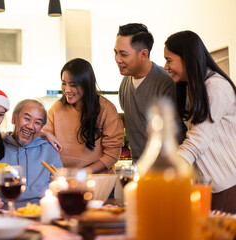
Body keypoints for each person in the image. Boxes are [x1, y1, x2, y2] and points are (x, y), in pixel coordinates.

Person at [164, 30, 236, 213]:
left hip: (226, 187)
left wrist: (165, 171)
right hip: (206, 187)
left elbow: (197, 139)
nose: (165, 66)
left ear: (187, 58)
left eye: (169, 60)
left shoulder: (216, 87)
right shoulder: (192, 87)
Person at [114, 23, 186, 161]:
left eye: (123, 54)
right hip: (139, 167)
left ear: (143, 54)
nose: (117, 59)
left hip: (165, 169)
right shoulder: (124, 84)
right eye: (116, 52)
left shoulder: (166, 83)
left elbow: (178, 134)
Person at [43, 58, 124, 174]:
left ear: (86, 85)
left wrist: (81, 174)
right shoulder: (56, 108)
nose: (66, 90)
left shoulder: (106, 109)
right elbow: (39, 140)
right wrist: (45, 134)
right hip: (65, 179)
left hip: (97, 181)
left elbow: (112, 155)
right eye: (63, 83)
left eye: (73, 85)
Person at [0, 99, 63, 207]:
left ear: (41, 128)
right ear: (13, 118)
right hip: (5, 212)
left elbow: (61, 188)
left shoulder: (50, 150)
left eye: (37, 122)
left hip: (40, 212)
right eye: (27, 119)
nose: (30, 126)